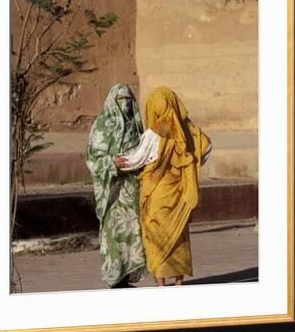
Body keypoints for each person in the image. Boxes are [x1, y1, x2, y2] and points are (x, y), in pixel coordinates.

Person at [115, 86, 211, 286]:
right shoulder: (189, 129)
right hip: (180, 193)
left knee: (156, 236)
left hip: (157, 194)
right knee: (178, 236)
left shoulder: (154, 133)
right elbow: (207, 147)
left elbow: (137, 159)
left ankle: (160, 282)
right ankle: (178, 281)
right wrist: (192, 165)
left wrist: (116, 161)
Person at [86, 84, 146, 288]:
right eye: (121, 100)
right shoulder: (102, 125)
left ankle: (126, 277)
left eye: (129, 100)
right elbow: (92, 159)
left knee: (132, 232)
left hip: (131, 189)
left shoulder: (135, 125)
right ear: (113, 101)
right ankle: (115, 279)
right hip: (111, 192)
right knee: (113, 233)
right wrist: (112, 162)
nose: (126, 104)